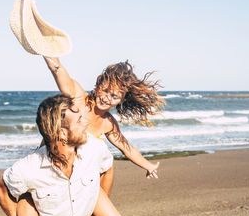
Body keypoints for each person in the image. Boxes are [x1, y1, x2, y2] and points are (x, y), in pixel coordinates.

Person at [0, 94, 122, 216]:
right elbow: (1, 188)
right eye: (79, 121)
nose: (86, 122)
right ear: (62, 134)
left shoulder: (95, 149)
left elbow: (107, 167)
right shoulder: (29, 168)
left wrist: (95, 214)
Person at [43, 57, 165, 194]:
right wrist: (48, 52)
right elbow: (58, 70)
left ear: (122, 100)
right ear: (99, 84)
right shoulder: (78, 97)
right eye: (105, 90)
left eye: (114, 96)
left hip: (78, 176)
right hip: (50, 162)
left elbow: (126, 148)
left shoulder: (108, 123)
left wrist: (148, 166)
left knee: (107, 164)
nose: (107, 98)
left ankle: (96, 207)